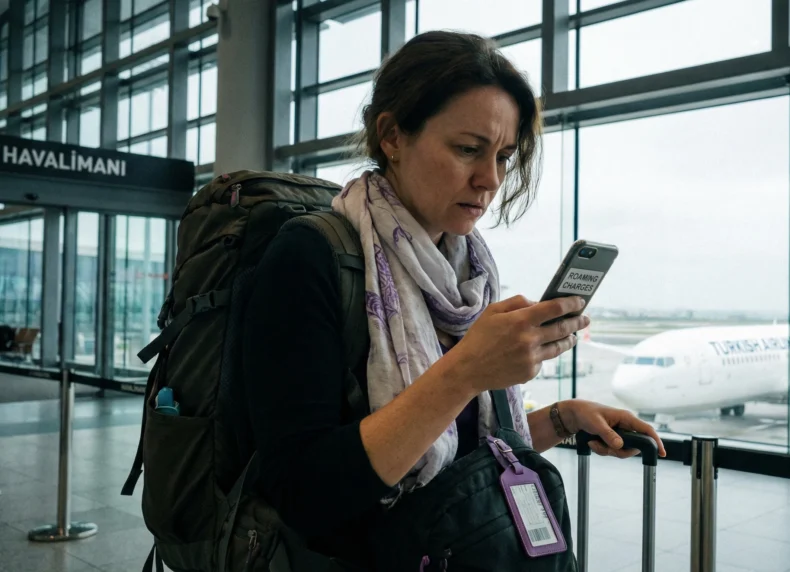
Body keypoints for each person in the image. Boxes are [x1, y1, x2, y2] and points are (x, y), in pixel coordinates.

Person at [237, 30, 666, 568]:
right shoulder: (311, 257)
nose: (489, 179)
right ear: (392, 135)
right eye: (468, 149)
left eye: (504, 156)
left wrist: (562, 419)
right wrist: (465, 370)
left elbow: (453, 459)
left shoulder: (466, 275)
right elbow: (306, 494)